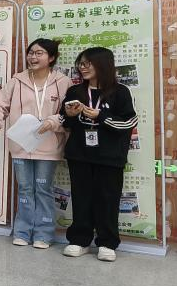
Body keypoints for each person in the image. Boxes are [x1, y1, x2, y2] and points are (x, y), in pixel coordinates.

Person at [0, 38, 72, 249]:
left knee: (43, 189)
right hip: (21, 145)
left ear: (51, 58)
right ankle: (22, 232)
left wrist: (53, 122)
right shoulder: (17, 80)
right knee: (24, 189)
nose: (33, 57)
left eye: (39, 53)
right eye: (31, 53)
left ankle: (44, 234)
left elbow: (68, 113)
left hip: (49, 146)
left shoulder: (63, 82)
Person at [59, 46, 137, 262]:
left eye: (87, 64)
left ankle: (107, 243)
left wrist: (101, 116)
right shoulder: (75, 91)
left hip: (109, 157)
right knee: (81, 197)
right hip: (79, 154)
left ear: (102, 65)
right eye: (81, 64)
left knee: (108, 199)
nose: (83, 68)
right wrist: (70, 114)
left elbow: (129, 122)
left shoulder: (120, 92)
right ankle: (80, 240)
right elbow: (64, 121)